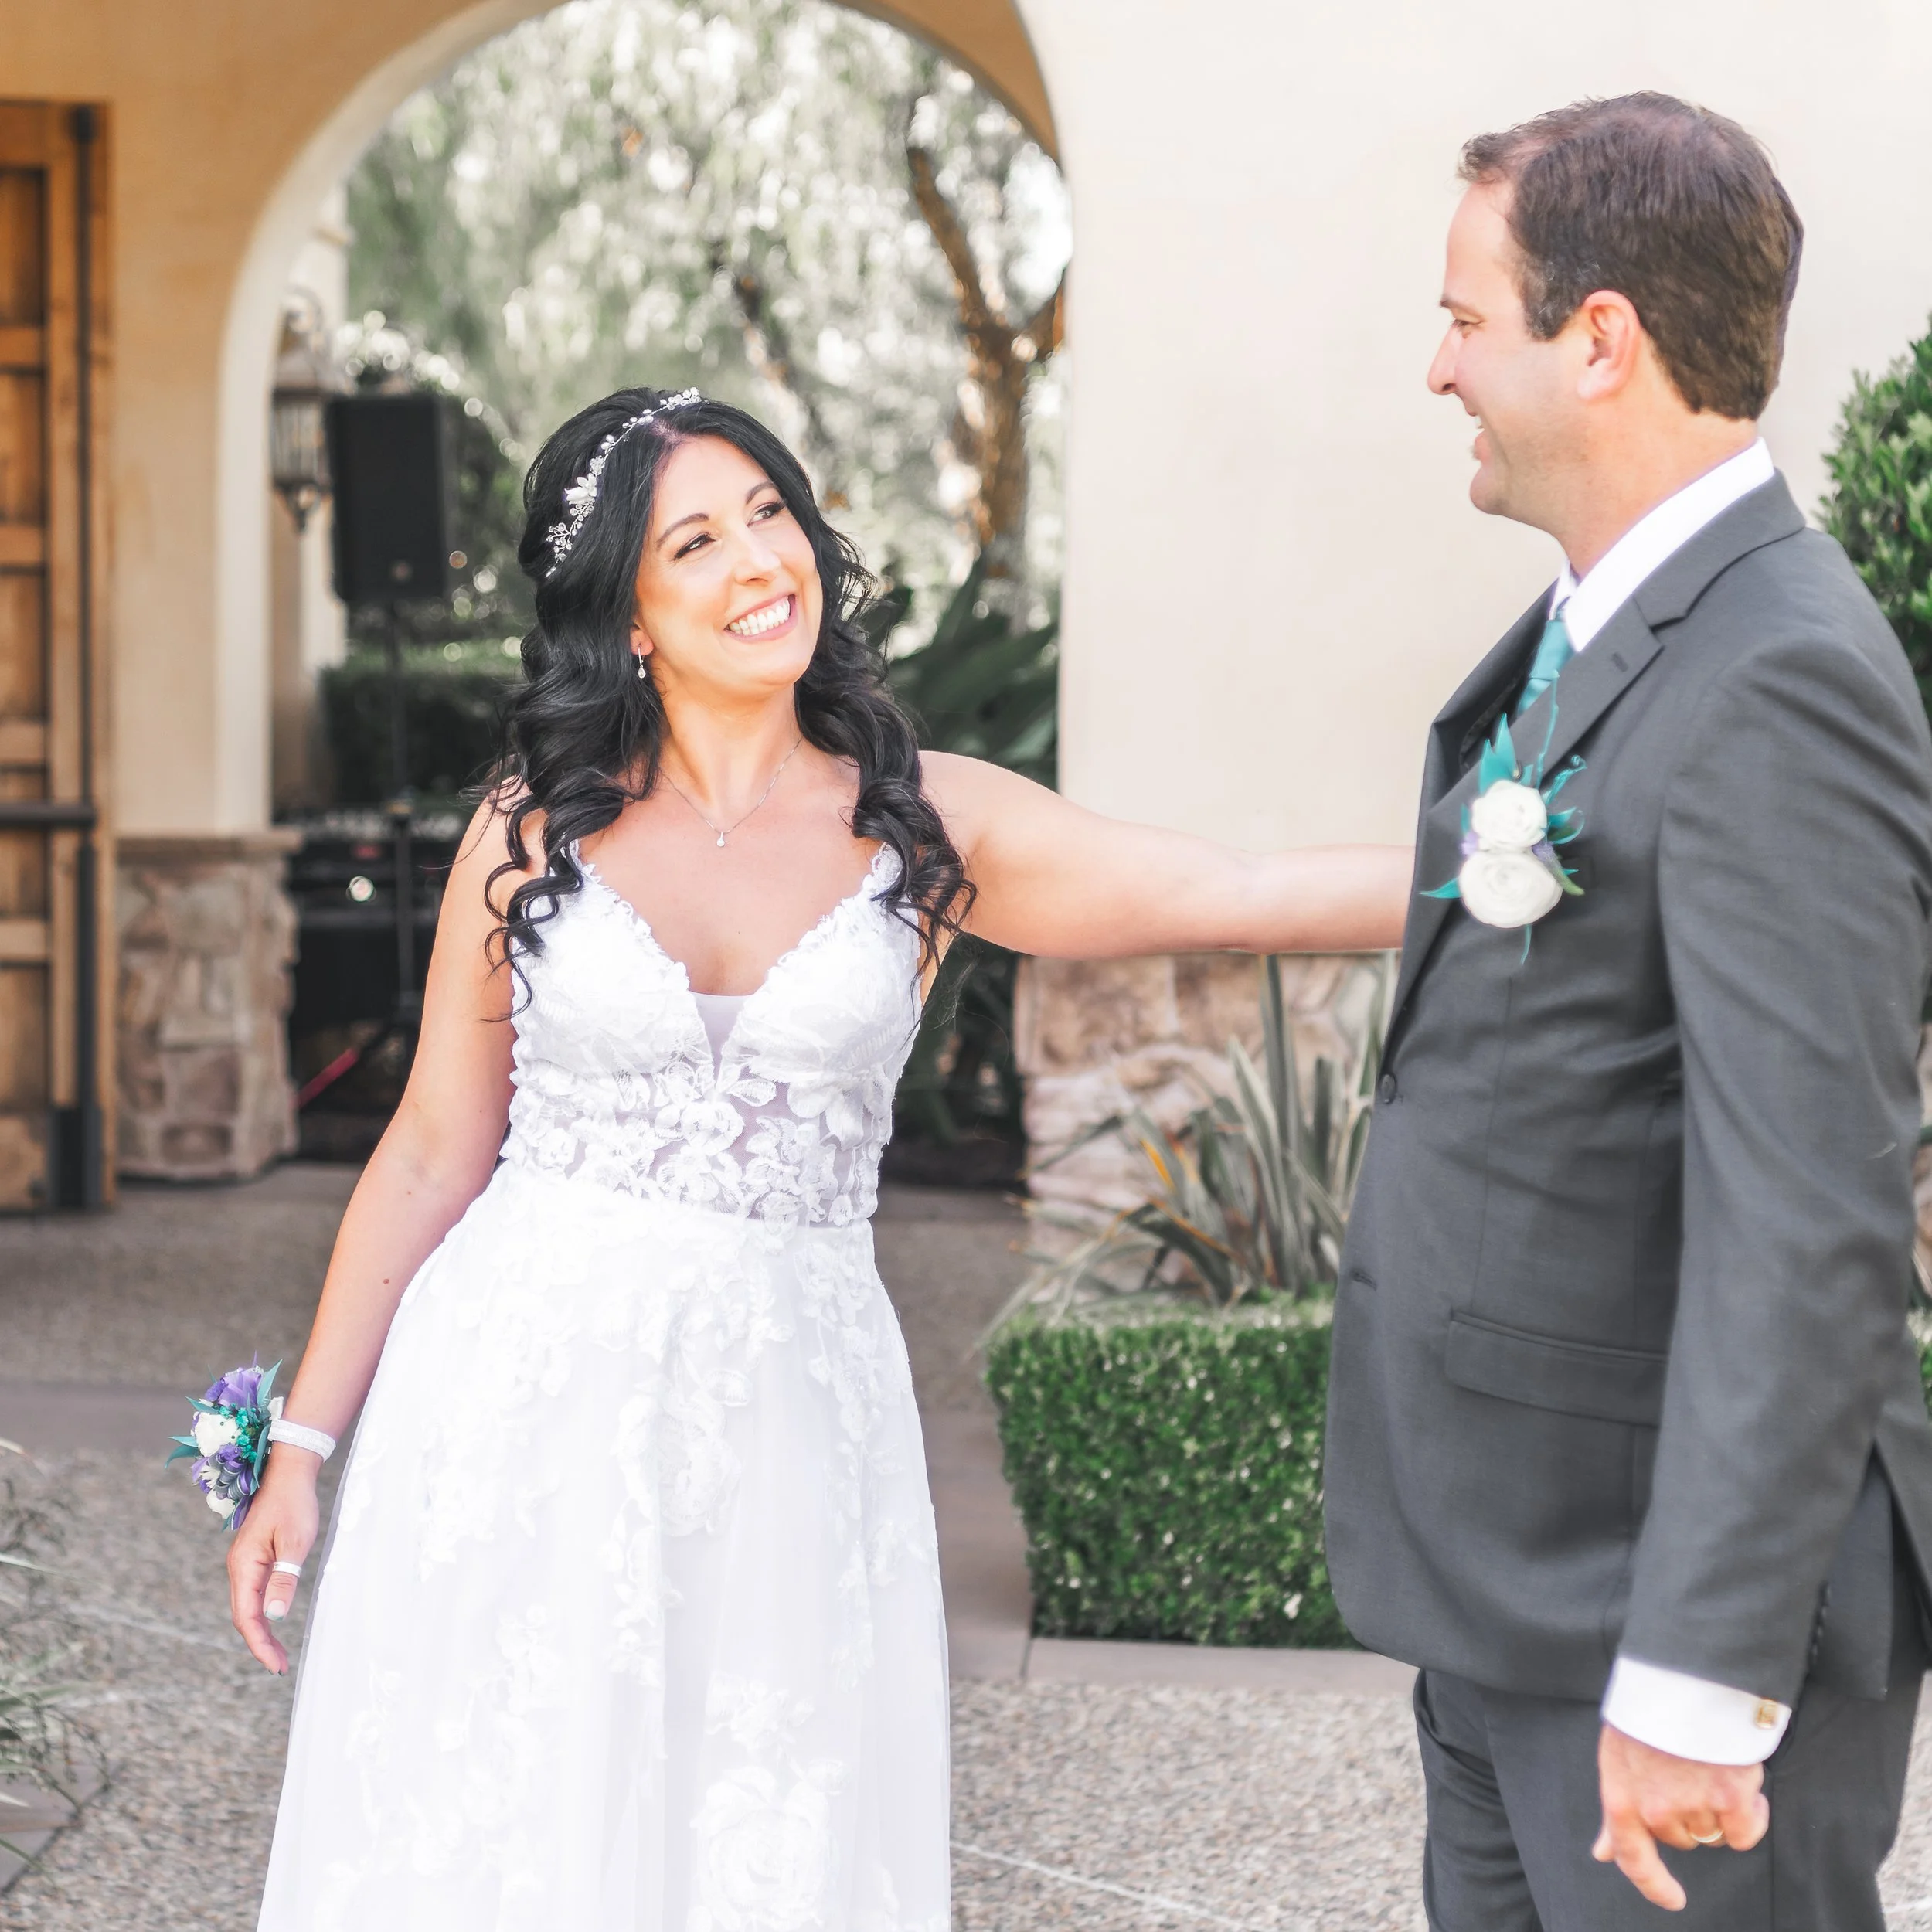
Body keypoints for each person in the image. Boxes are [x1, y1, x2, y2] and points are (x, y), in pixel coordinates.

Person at [232, 385, 1409, 1928]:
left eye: (771, 515)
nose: (757, 564)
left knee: (763, 1828)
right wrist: (303, 1449)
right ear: (629, 616)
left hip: (791, 1411)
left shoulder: (923, 825)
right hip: (524, 1399)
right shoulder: (530, 830)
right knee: (508, 1822)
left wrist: (1522, 863)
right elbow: (432, 1148)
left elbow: (1235, 887)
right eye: (697, 541)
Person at [1322, 92, 1932, 1930]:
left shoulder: (1779, 675)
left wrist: (1691, 1677)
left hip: (1651, 1623)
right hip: (1514, 1588)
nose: (1435, 369)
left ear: (1600, 339)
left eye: (1462, 318)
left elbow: (1809, 1213)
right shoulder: (1598, 627)